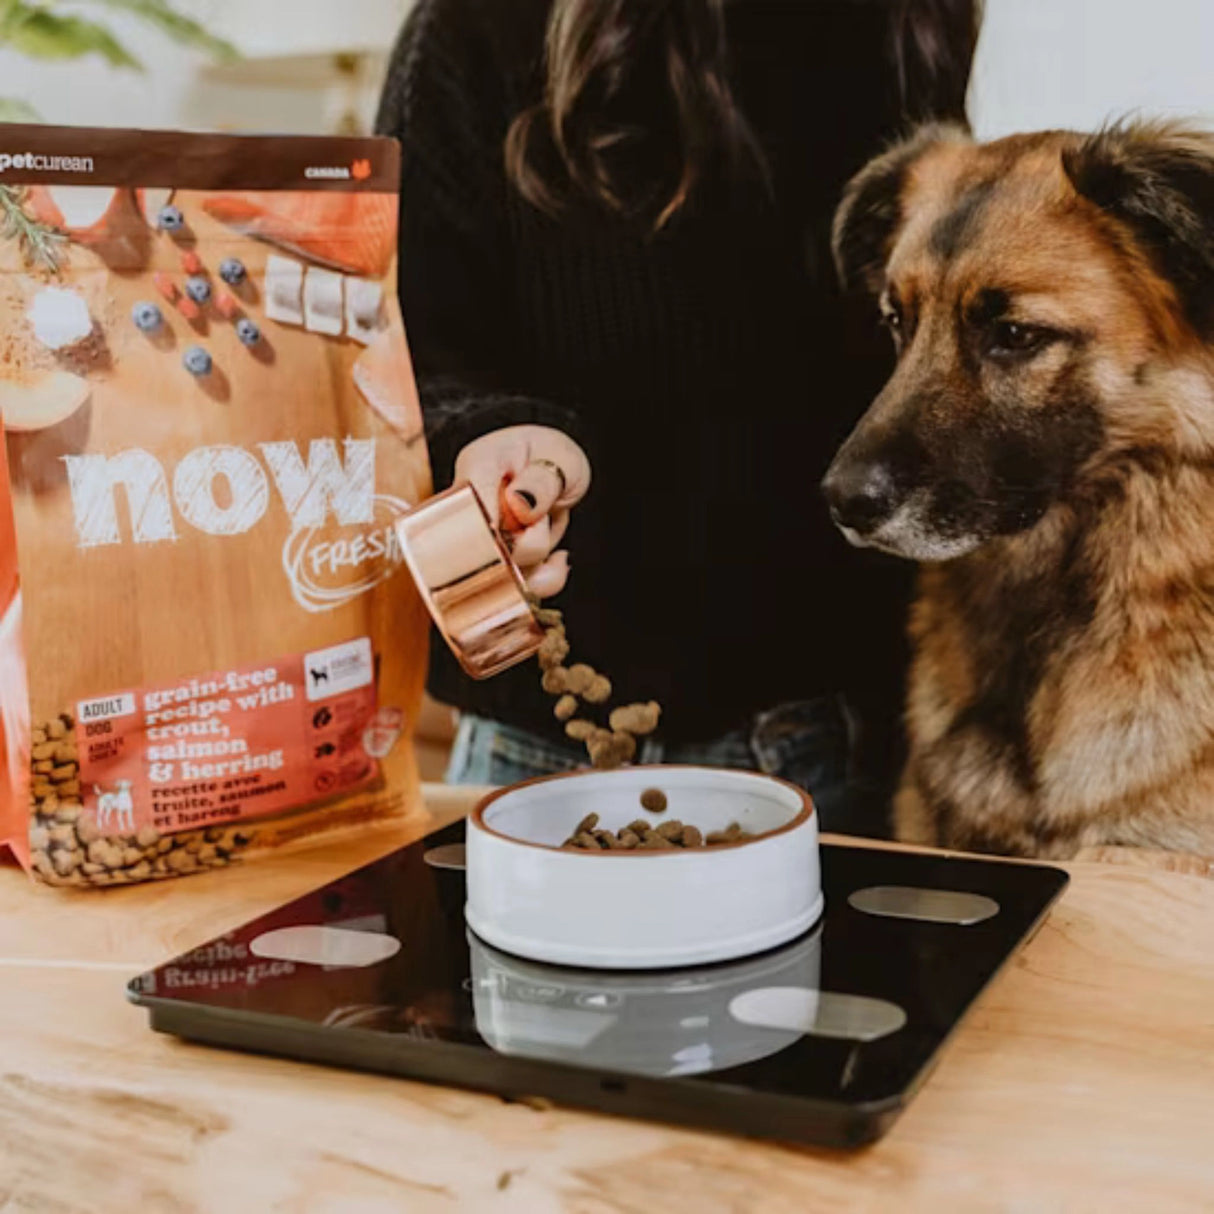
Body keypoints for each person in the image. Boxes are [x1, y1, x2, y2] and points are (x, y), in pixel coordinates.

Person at [376, 0, 980, 836]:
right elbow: (410, 349)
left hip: (852, 748)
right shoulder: (478, 28)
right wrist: (496, 433)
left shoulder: (912, 24)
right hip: (546, 750)